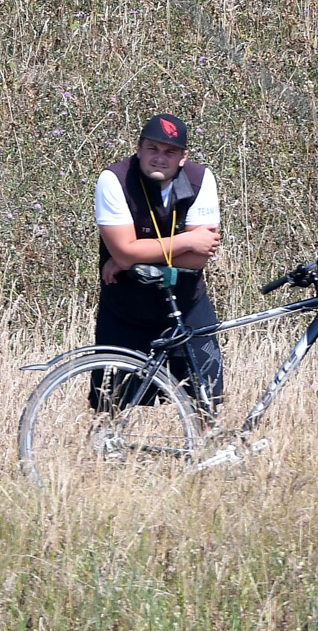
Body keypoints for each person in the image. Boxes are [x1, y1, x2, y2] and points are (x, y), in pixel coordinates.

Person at [92, 113, 223, 412]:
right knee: (108, 408)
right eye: (152, 148)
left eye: (170, 152)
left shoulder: (201, 179)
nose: (160, 158)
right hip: (126, 309)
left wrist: (130, 255)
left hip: (187, 304)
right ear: (138, 149)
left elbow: (199, 259)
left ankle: (201, 455)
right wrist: (186, 241)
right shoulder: (113, 180)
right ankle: (103, 459)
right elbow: (127, 251)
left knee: (206, 404)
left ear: (182, 157)